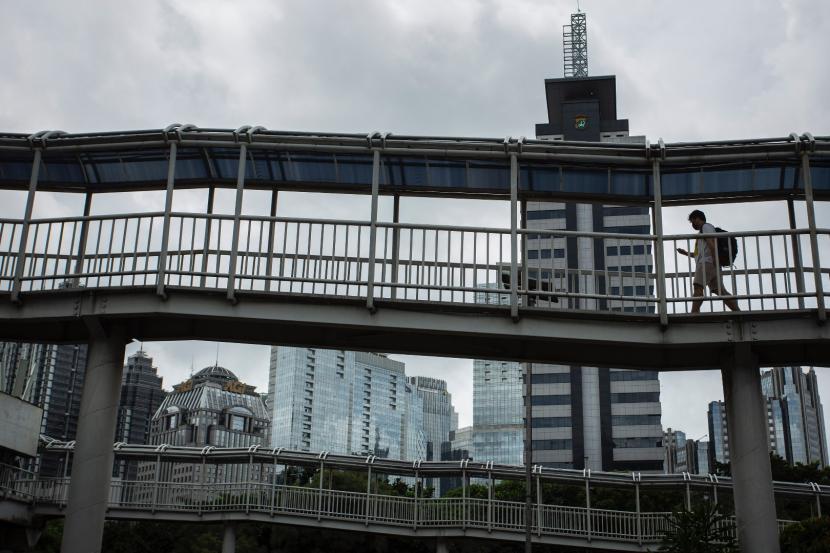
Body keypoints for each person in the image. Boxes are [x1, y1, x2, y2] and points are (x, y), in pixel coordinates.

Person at [675, 210, 740, 313]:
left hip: (707, 263)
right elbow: (700, 253)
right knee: (720, 291)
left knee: (698, 287)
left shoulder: (706, 227)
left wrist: (714, 259)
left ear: (697, 218)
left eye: (693, 221)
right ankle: (737, 311)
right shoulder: (703, 231)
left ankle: (694, 314)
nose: (692, 224)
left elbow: (711, 243)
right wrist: (686, 253)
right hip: (712, 263)